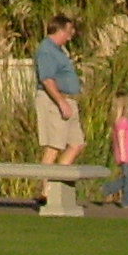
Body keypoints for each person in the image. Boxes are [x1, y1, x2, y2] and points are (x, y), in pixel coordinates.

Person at [34, 13, 84, 166]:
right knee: (54, 146)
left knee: (77, 144)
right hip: (55, 102)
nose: (69, 38)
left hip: (69, 100)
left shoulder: (59, 51)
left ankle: (58, 182)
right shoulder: (46, 50)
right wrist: (61, 102)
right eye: (68, 33)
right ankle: (44, 187)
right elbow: (47, 79)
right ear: (60, 31)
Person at [107, 92, 128, 206]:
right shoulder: (122, 122)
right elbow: (120, 138)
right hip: (127, 155)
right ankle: (124, 199)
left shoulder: (125, 121)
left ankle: (127, 199)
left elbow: (126, 136)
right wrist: (123, 153)